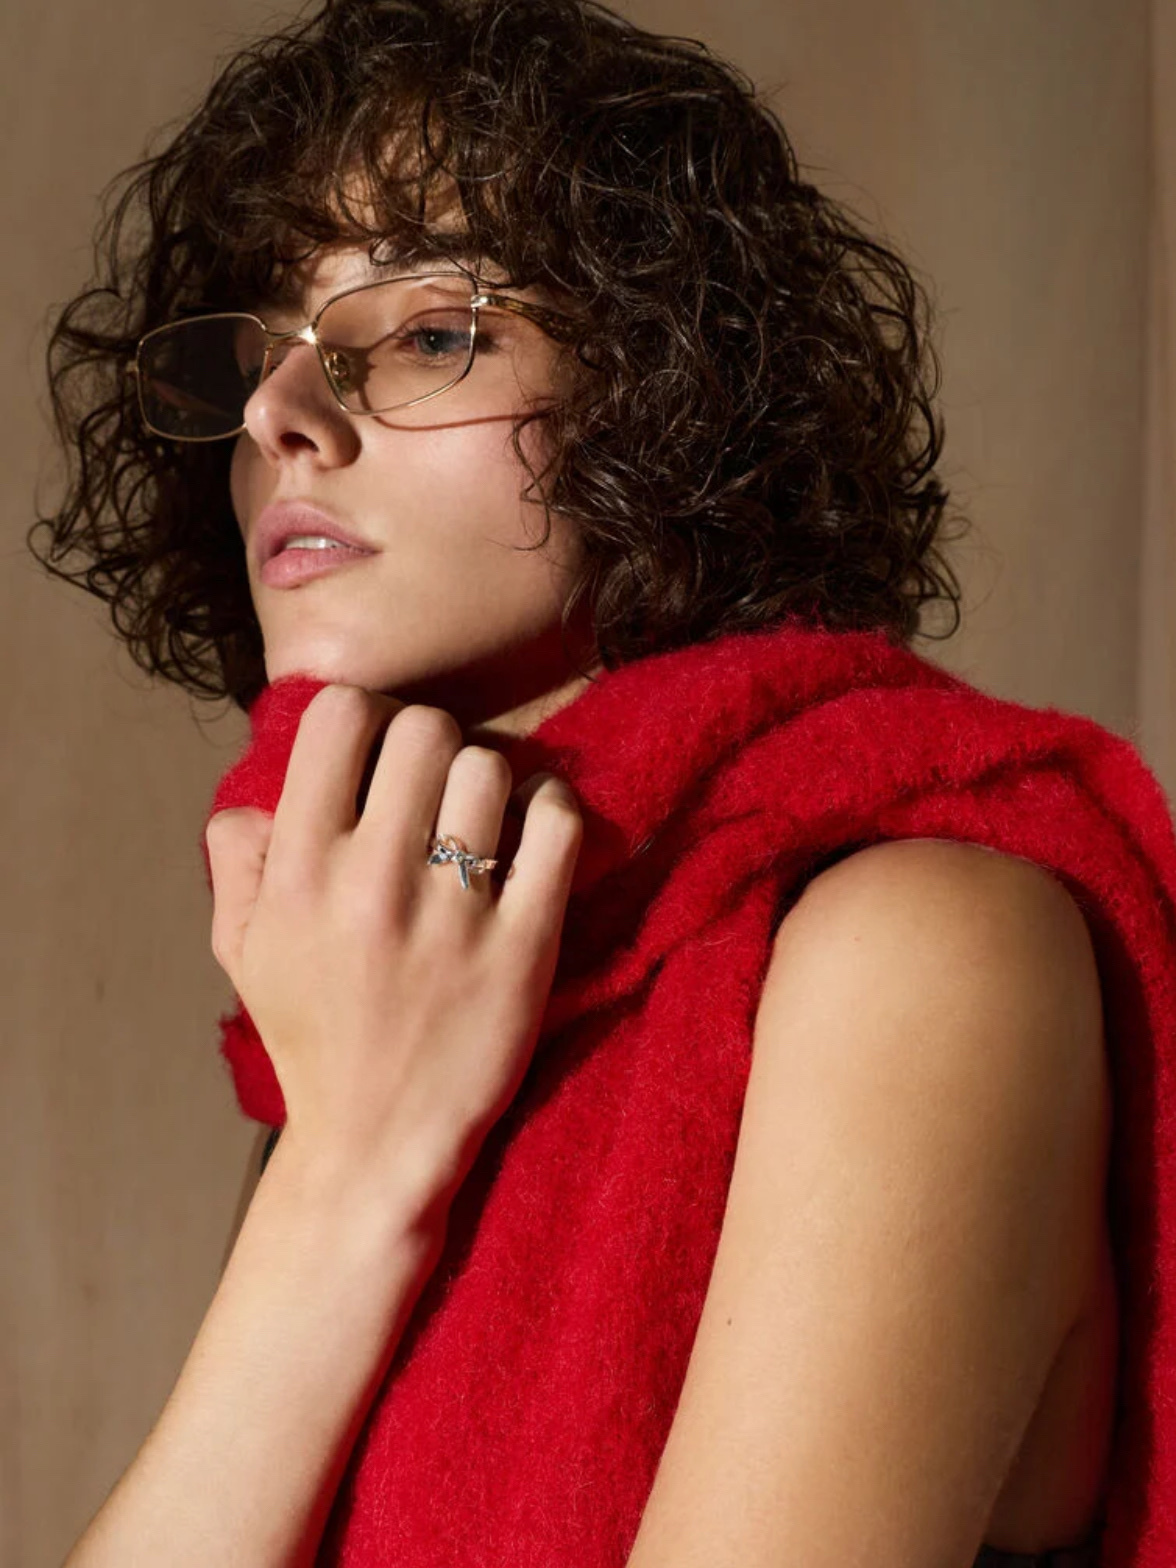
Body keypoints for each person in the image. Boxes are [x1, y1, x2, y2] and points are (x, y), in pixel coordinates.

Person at [30, 2, 1176, 1565]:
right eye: (257, 354)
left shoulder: (917, 952)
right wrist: (352, 1165)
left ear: (667, 387)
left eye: (428, 332)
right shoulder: (391, 1013)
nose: (278, 416)